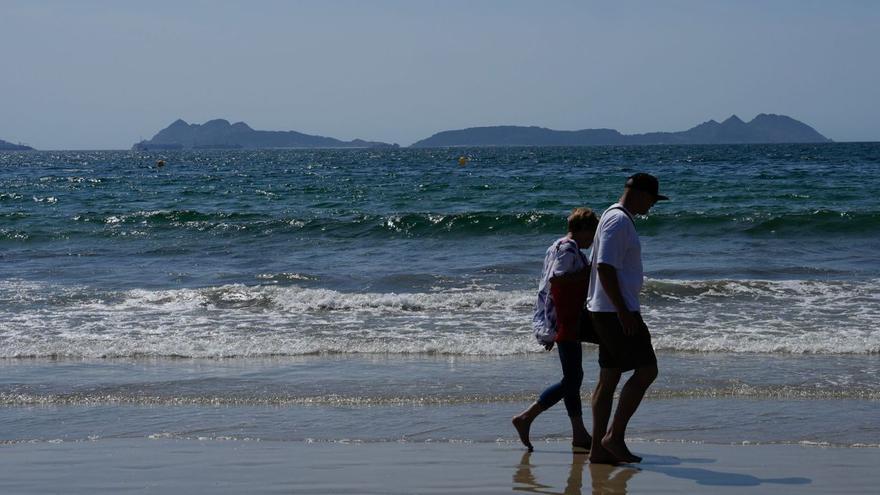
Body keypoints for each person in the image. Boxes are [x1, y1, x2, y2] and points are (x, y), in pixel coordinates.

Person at [587, 173, 667, 464]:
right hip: (615, 312)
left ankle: (598, 449)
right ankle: (613, 437)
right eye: (652, 200)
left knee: (609, 378)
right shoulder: (619, 221)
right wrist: (623, 310)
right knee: (647, 371)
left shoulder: (612, 215)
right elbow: (605, 267)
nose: (652, 207)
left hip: (605, 309)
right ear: (641, 194)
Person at [512, 207, 599, 452]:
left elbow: (547, 285)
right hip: (566, 319)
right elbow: (557, 280)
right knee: (573, 378)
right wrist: (589, 271)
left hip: (561, 319)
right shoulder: (568, 248)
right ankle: (526, 417)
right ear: (582, 229)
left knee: (573, 377)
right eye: (591, 234)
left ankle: (579, 433)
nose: (592, 240)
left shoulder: (556, 245)